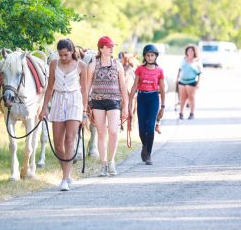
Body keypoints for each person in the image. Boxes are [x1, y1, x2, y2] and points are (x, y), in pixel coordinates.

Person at [38, 39, 88, 191]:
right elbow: (49, 88)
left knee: (70, 140)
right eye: (60, 55)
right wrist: (43, 108)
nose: (63, 58)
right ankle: (66, 171)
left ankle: (65, 179)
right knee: (58, 143)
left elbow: (84, 90)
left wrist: (84, 113)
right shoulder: (54, 63)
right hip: (58, 99)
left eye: (66, 55)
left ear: (72, 51)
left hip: (74, 100)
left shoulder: (81, 66)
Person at [87, 36, 129, 176]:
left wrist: (126, 106)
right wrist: (85, 105)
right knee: (101, 132)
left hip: (114, 100)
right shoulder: (93, 64)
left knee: (113, 131)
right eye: (108, 46)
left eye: (112, 46)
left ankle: (111, 161)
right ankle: (103, 163)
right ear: (101, 48)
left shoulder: (118, 65)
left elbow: (123, 87)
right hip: (97, 101)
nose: (111, 49)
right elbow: (87, 87)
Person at [129, 44, 165, 165]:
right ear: (144, 56)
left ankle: (148, 154)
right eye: (148, 55)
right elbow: (134, 86)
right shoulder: (139, 69)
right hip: (142, 97)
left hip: (153, 98)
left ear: (156, 56)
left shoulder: (159, 70)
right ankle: (145, 145)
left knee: (150, 128)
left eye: (152, 55)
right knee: (141, 129)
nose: (150, 57)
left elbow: (163, 88)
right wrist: (129, 103)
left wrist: (163, 106)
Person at [176, 44, 203, 120]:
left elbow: (200, 73)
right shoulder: (183, 59)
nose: (190, 52)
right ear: (186, 52)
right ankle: (181, 113)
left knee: (191, 98)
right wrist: (177, 79)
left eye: (192, 51)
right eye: (189, 51)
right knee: (182, 98)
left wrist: (198, 83)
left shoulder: (197, 61)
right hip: (182, 81)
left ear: (194, 52)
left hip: (192, 82)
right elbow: (179, 69)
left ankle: (192, 113)